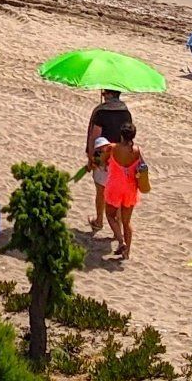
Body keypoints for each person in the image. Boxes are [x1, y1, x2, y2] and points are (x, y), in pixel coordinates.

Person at [86, 89, 133, 231]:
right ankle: (117, 227)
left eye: (104, 93)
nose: (103, 95)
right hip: (119, 159)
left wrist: (91, 157)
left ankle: (99, 221)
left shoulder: (101, 112)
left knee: (101, 191)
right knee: (117, 193)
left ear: (110, 94)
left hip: (103, 157)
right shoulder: (126, 112)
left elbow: (94, 137)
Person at [103, 123, 145, 260]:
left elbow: (103, 161)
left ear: (121, 135)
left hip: (114, 186)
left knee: (110, 215)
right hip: (130, 188)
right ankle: (127, 252)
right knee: (127, 222)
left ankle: (121, 241)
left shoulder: (112, 148)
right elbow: (142, 167)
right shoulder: (137, 151)